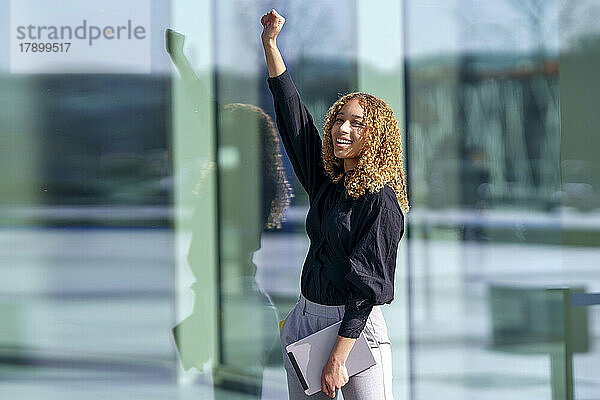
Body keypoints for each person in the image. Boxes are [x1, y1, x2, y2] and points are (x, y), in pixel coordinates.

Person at [260, 9, 409, 400]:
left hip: (353, 330)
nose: (342, 128)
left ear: (375, 136)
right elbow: (295, 122)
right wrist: (271, 46)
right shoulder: (328, 183)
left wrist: (338, 358)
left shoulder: (381, 200)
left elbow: (368, 286)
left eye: (356, 123)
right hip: (307, 319)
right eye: (339, 119)